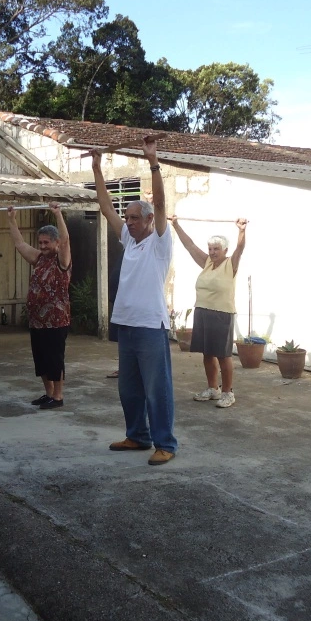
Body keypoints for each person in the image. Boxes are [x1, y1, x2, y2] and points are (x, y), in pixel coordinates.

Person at [93, 139, 177, 466]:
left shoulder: (160, 242)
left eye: (133, 218)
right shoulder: (129, 239)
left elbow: (161, 204)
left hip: (150, 327)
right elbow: (105, 208)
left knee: (157, 390)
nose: (127, 222)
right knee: (128, 389)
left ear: (148, 219)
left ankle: (165, 443)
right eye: (126, 217)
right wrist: (97, 168)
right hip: (126, 325)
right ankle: (137, 436)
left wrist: (153, 162)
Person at [170, 216, 248, 408]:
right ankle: (213, 388)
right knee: (207, 354)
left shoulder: (230, 264)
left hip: (222, 314)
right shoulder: (206, 263)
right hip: (202, 312)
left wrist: (241, 231)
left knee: (223, 355)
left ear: (225, 250)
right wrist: (176, 225)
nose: (212, 252)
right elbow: (189, 245)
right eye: (210, 249)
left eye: (216, 249)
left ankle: (228, 393)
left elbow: (240, 248)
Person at [6, 202, 71, 409]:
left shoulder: (62, 260)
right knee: (41, 360)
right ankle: (49, 393)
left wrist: (58, 215)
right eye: (40, 242)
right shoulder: (39, 258)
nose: (42, 246)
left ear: (56, 243)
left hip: (56, 321)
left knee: (54, 359)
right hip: (37, 321)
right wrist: (12, 220)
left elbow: (66, 240)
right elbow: (20, 244)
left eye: (46, 243)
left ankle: (58, 396)